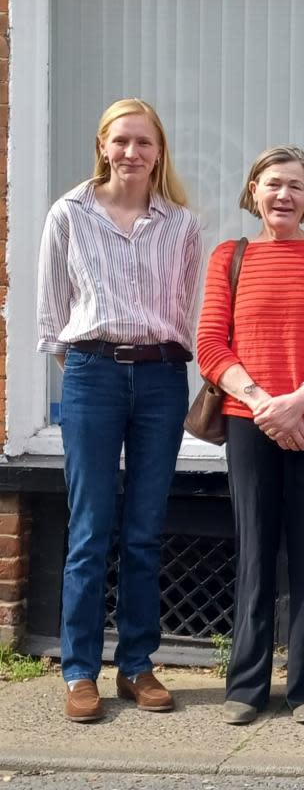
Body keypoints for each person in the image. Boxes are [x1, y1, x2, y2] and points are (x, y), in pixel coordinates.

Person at [36, 98, 201, 723]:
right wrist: (90, 371)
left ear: (160, 152)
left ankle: (137, 665)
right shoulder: (69, 213)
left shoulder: (181, 224)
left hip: (161, 377)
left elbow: (185, 311)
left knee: (143, 530)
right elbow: (53, 314)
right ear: (103, 145)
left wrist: (155, 363)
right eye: (122, 141)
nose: (133, 153)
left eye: (145, 143)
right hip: (93, 375)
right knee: (89, 529)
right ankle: (80, 671)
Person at [196, 146, 304, 726]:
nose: (283, 195)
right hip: (251, 422)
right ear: (254, 192)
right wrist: (267, 404)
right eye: (272, 185)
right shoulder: (229, 257)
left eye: (294, 185)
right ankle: (246, 686)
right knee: (256, 551)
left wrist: (301, 401)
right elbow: (212, 347)